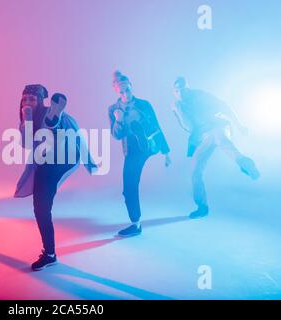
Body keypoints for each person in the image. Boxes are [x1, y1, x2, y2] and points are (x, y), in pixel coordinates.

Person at [15, 84, 96, 271]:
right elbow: (27, 143)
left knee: (54, 131)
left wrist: (89, 160)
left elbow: (77, 134)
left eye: (32, 99)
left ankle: (54, 122)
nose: (27, 102)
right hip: (45, 162)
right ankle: (50, 254)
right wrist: (27, 118)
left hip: (64, 156)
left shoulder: (54, 115)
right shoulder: (27, 118)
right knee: (41, 209)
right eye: (25, 99)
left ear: (42, 101)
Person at [172, 77, 260, 219]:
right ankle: (202, 207)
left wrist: (239, 125)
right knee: (195, 169)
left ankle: (245, 163)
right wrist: (179, 112)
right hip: (206, 135)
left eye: (183, 88)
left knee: (222, 140)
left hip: (219, 127)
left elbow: (225, 107)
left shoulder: (201, 96)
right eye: (177, 90)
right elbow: (189, 127)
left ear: (188, 88)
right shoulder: (179, 105)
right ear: (174, 92)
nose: (181, 92)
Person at [108, 71, 171, 237]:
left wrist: (166, 152)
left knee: (130, 186)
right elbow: (116, 136)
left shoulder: (144, 104)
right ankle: (135, 224)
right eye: (121, 92)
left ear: (131, 86)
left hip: (149, 145)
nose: (125, 94)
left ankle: (142, 135)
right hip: (132, 149)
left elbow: (157, 126)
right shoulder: (113, 109)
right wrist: (119, 120)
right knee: (128, 188)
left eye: (127, 90)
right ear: (116, 91)